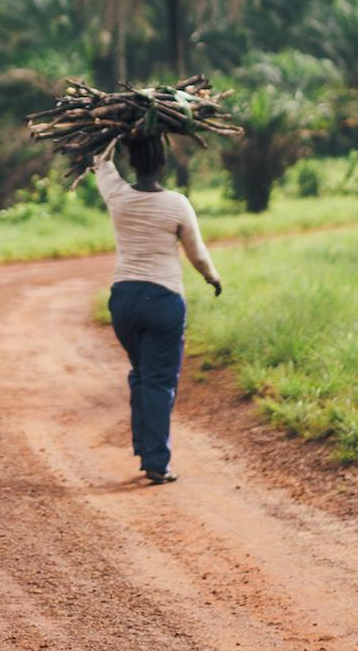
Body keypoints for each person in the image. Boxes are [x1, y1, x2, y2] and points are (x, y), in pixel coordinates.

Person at [95, 134, 222, 484]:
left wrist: (115, 134)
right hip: (163, 301)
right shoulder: (177, 204)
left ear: (132, 162)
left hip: (124, 301)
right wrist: (212, 277)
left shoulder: (117, 195)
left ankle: (145, 448)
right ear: (163, 164)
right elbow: (196, 254)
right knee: (158, 381)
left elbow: (100, 162)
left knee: (141, 373)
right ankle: (155, 461)